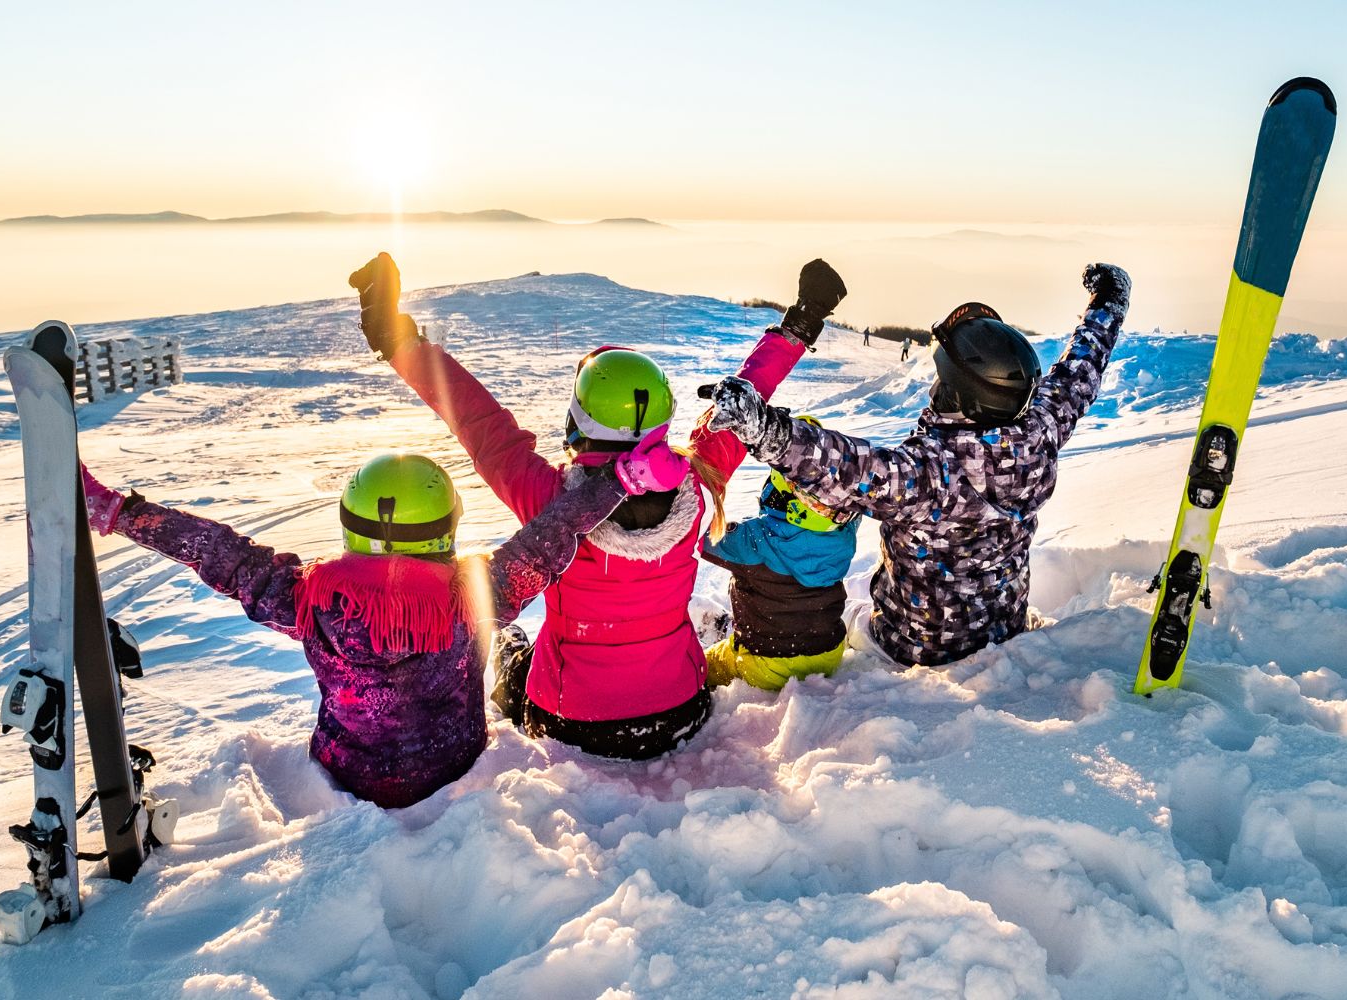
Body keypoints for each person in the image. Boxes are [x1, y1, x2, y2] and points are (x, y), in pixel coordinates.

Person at [348, 252, 845, 759]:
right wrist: (800, 323)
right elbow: (744, 402)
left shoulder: (550, 501)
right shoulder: (697, 483)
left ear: (578, 420)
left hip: (572, 721)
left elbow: (478, 421)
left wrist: (397, 340)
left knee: (511, 650)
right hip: (681, 709)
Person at [76, 438, 688, 808]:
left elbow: (216, 551)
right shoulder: (476, 597)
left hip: (350, 773)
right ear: (446, 526)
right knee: (510, 646)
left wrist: (119, 513)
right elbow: (553, 536)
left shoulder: (308, 599)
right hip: (454, 765)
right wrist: (622, 481)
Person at [703, 263, 1131, 668]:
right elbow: (1079, 372)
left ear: (959, 395)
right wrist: (1108, 303)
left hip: (912, 648)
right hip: (1004, 629)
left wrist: (762, 427)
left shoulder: (930, 473)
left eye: (942, 379)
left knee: (843, 626)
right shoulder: (1040, 431)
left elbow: (843, 467)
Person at [701, 415, 861, 690]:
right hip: (829, 653)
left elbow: (702, 537)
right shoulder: (843, 533)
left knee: (706, 666)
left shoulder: (755, 539)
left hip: (767, 663)